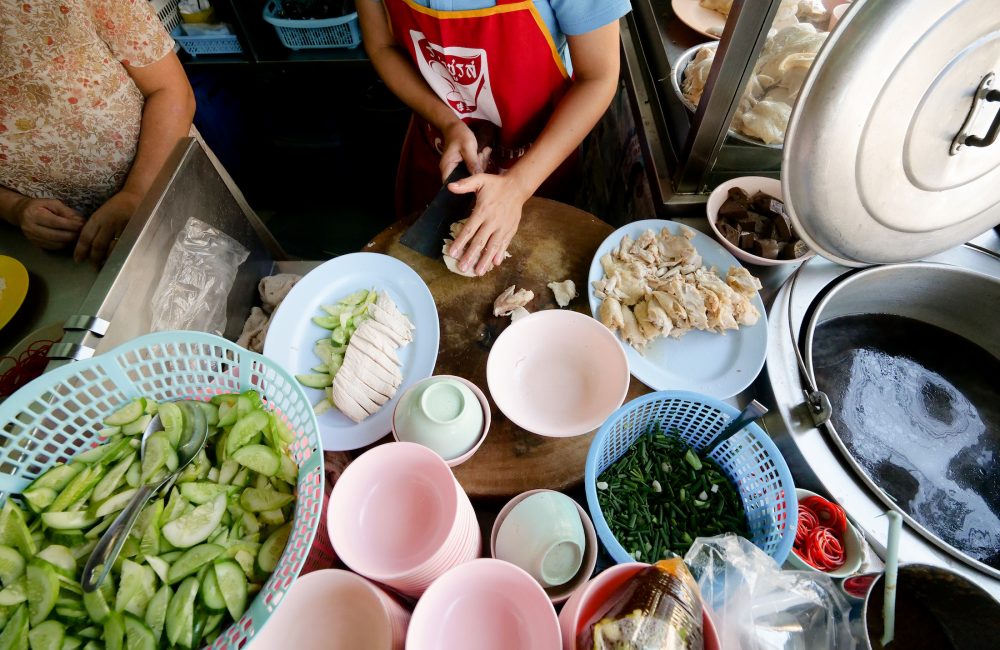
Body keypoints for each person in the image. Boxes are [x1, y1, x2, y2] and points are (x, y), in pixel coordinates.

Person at [358, 0, 631, 276]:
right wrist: (447, 122)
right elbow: (382, 46)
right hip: (440, 147)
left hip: (539, 157)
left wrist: (518, 186)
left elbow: (598, 76)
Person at [0, 0, 195, 266]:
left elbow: (172, 91)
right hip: (50, 246)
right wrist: (14, 207)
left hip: (163, 185)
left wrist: (136, 194)